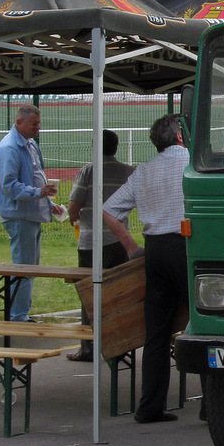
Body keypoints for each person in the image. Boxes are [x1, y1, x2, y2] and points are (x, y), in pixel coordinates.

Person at [103, 114, 192, 424]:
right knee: (206, 326)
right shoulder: (192, 163)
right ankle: (212, 404)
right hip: (186, 245)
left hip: (154, 250)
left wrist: (131, 247)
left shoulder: (144, 171)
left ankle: (149, 406)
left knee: (157, 333)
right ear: (181, 137)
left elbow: (110, 211)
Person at [66, 129, 135, 361]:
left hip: (91, 242)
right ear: (116, 148)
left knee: (90, 296)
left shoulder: (88, 170)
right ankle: (119, 346)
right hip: (119, 241)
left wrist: (71, 216)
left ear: (95, 147)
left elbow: (74, 206)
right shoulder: (127, 171)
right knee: (119, 294)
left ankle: (88, 348)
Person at [0, 104, 64, 322]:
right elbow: (10, 186)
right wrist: (38, 192)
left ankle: (21, 312)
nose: (38, 128)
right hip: (18, 216)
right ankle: (17, 315)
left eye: (39, 123)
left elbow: (35, 175)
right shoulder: (9, 148)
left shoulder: (29, 144)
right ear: (19, 122)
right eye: (34, 124)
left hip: (31, 213)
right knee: (23, 266)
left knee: (30, 266)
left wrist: (47, 203)